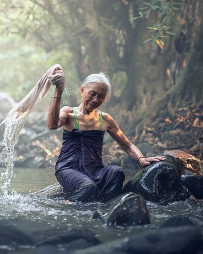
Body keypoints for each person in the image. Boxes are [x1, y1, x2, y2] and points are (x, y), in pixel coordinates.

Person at [46, 70, 164, 202]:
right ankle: (65, 207)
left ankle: (107, 207)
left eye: (101, 97)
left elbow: (127, 145)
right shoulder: (68, 113)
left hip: (95, 171)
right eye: (92, 94)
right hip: (68, 169)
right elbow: (52, 124)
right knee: (88, 187)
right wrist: (58, 93)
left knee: (117, 173)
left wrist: (141, 159)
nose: (95, 100)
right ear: (82, 90)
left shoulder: (105, 119)